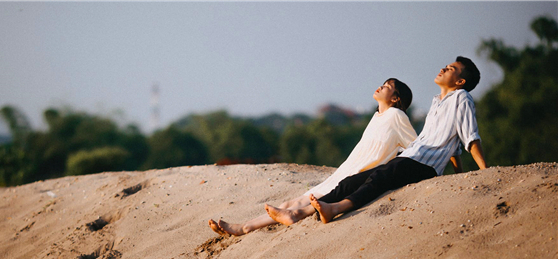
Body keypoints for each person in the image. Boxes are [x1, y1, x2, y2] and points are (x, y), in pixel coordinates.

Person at [265, 56, 488, 225]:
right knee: (352, 181)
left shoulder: (462, 98)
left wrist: (484, 171)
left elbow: (470, 138)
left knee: (380, 177)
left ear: (460, 81)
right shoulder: (437, 102)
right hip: (411, 157)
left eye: (451, 69)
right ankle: (299, 212)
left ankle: (335, 209)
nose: (443, 69)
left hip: (424, 165)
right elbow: (454, 146)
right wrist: (459, 176)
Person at [209, 78, 418, 236]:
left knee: (300, 202)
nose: (381, 86)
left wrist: (390, 167)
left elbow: (416, 148)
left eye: (388, 86)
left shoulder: (397, 116)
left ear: (395, 98)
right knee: (293, 200)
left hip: (357, 176)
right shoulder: (377, 117)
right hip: (346, 170)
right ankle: (244, 226)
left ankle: (243, 228)